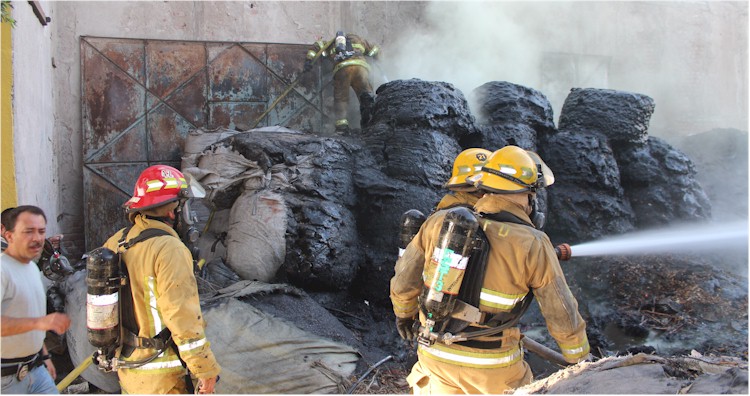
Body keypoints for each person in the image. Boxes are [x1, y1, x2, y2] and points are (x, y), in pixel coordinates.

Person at [390, 146, 590, 394]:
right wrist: (580, 358)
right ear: (528, 194)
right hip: (495, 370)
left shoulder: (439, 222)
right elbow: (561, 312)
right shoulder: (534, 242)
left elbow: (403, 284)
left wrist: (405, 316)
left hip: (435, 359)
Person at [101, 165, 220, 394]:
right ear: (173, 212)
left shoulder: (116, 242)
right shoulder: (169, 248)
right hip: (162, 376)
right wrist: (205, 369)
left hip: (129, 369)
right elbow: (182, 318)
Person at [1, 205, 71, 394]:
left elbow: (27, 318)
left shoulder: (30, 268)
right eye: (28, 232)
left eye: (41, 231)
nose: (37, 238)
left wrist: (44, 357)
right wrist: (41, 322)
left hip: (35, 369)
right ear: (8, 235)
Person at [304, 30, 380, 134]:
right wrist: (377, 58)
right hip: (361, 69)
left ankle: (342, 128)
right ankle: (370, 123)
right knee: (367, 96)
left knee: (341, 99)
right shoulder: (360, 41)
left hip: (342, 70)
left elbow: (316, 47)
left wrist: (308, 61)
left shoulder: (331, 44)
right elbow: (375, 49)